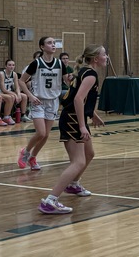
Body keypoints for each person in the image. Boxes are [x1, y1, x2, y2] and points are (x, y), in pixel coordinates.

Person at [39, 44, 108, 214]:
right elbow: (78, 99)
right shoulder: (90, 74)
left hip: (75, 117)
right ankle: (50, 201)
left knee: (89, 153)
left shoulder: (85, 71)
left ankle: (73, 184)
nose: (107, 57)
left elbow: (82, 99)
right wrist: (82, 125)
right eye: (104, 54)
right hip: (73, 119)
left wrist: (92, 115)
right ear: (95, 58)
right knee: (79, 161)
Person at [19, 36, 68, 170]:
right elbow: (21, 81)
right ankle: (25, 152)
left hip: (53, 101)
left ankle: (33, 157)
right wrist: (30, 96)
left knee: (46, 134)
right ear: (42, 47)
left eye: (54, 43)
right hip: (38, 101)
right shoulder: (36, 63)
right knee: (40, 133)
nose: (53, 45)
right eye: (49, 43)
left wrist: (75, 78)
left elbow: (68, 81)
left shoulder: (60, 64)